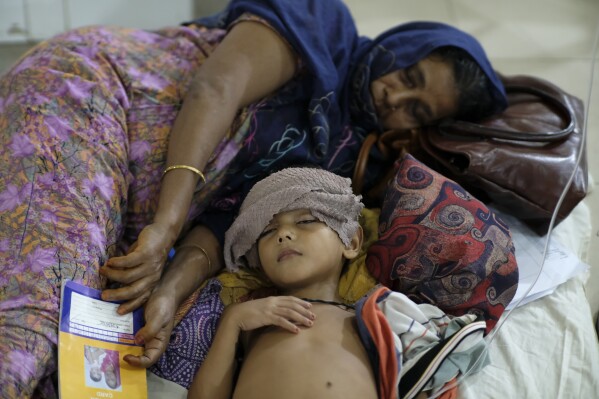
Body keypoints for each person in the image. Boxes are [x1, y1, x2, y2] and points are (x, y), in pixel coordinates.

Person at [0, 0, 507, 396]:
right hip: (92, 95)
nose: (394, 98)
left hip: (139, 203)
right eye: (409, 77)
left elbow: (230, 223)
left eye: (414, 109)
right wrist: (168, 224)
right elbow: (216, 88)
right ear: (404, 45)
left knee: (74, 361)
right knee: (43, 308)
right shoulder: (322, 24)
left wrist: (169, 293)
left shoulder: (346, 160)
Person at [187, 167, 488, 399]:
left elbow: (426, 375)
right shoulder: (253, 319)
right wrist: (233, 321)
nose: (284, 235)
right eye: (267, 232)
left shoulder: (375, 318)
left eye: (306, 221)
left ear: (352, 242)